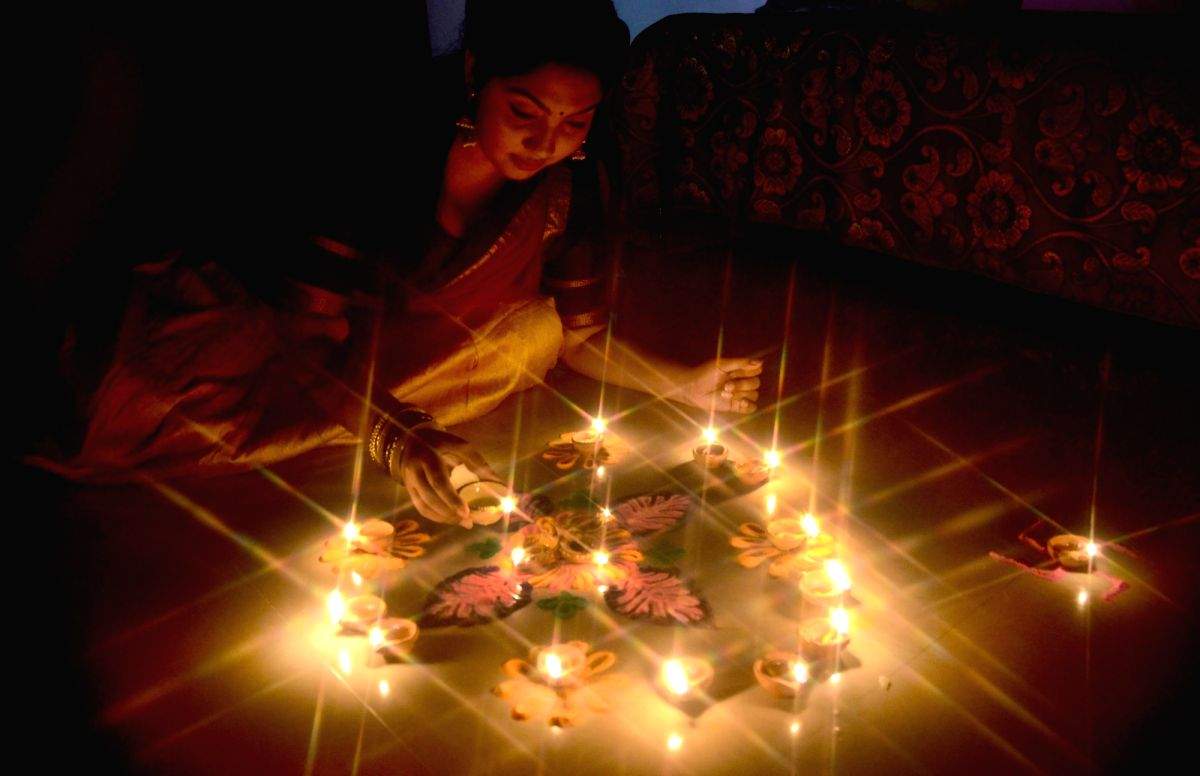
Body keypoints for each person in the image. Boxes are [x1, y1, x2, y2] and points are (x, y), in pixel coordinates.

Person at [36, 0, 764, 525]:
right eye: (524, 112)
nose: (546, 144)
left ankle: (368, 408)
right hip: (281, 327)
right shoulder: (376, 151)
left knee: (534, 335)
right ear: (478, 72)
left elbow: (579, 337)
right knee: (135, 400)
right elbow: (307, 341)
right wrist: (399, 437)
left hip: (398, 343)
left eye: (575, 123)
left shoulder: (572, 183)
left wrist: (683, 387)